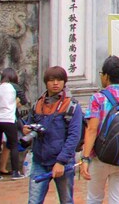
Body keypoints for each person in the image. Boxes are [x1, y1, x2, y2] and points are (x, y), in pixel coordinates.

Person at [79, 55, 119, 204]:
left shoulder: (98, 98)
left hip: (100, 157)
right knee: (117, 201)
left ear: (106, 76)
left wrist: (85, 158)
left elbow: (92, 130)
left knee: (94, 198)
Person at [22, 66, 83, 204]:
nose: (55, 83)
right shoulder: (38, 104)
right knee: (33, 201)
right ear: (46, 82)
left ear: (64, 82)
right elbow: (31, 126)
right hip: (40, 161)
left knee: (66, 200)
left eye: (59, 80)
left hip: (63, 162)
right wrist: (27, 130)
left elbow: (74, 136)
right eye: (51, 80)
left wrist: (61, 161)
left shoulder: (71, 106)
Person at [0, 67, 22, 181]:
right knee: (13, 145)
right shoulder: (13, 86)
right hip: (8, 119)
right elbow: (24, 99)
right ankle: (15, 172)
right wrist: (15, 102)